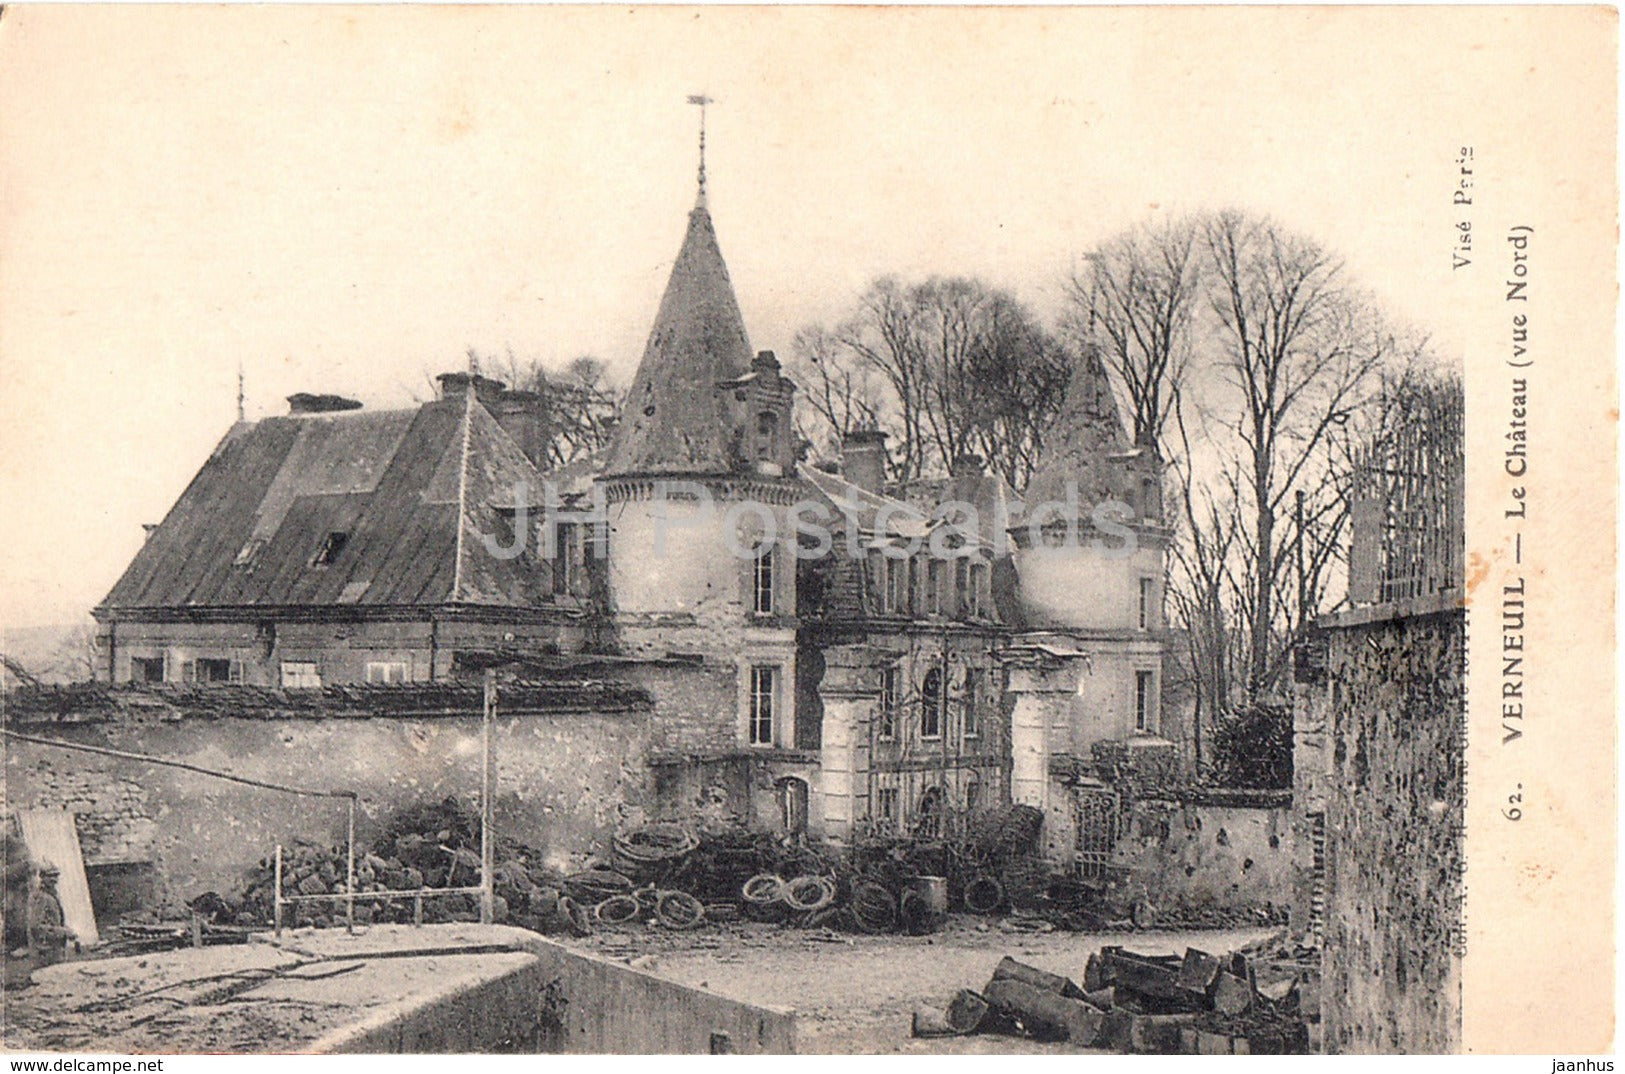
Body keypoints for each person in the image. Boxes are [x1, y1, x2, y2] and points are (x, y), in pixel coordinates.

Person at [27, 866, 76, 969]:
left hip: (55, 950)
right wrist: (64, 932)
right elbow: (36, 926)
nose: (54, 879)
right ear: (42, 877)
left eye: (56, 876)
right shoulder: (40, 896)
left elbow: (53, 921)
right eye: (50, 876)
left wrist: (66, 929)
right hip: (45, 952)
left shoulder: (51, 895)